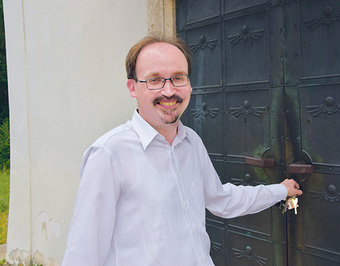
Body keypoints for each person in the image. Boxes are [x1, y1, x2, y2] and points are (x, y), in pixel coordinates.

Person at [62, 33, 303, 265]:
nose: (169, 91)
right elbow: (84, 252)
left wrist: (279, 191)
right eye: (155, 80)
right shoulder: (108, 154)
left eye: (178, 78)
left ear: (189, 85)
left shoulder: (192, 142)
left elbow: (222, 199)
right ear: (133, 88)